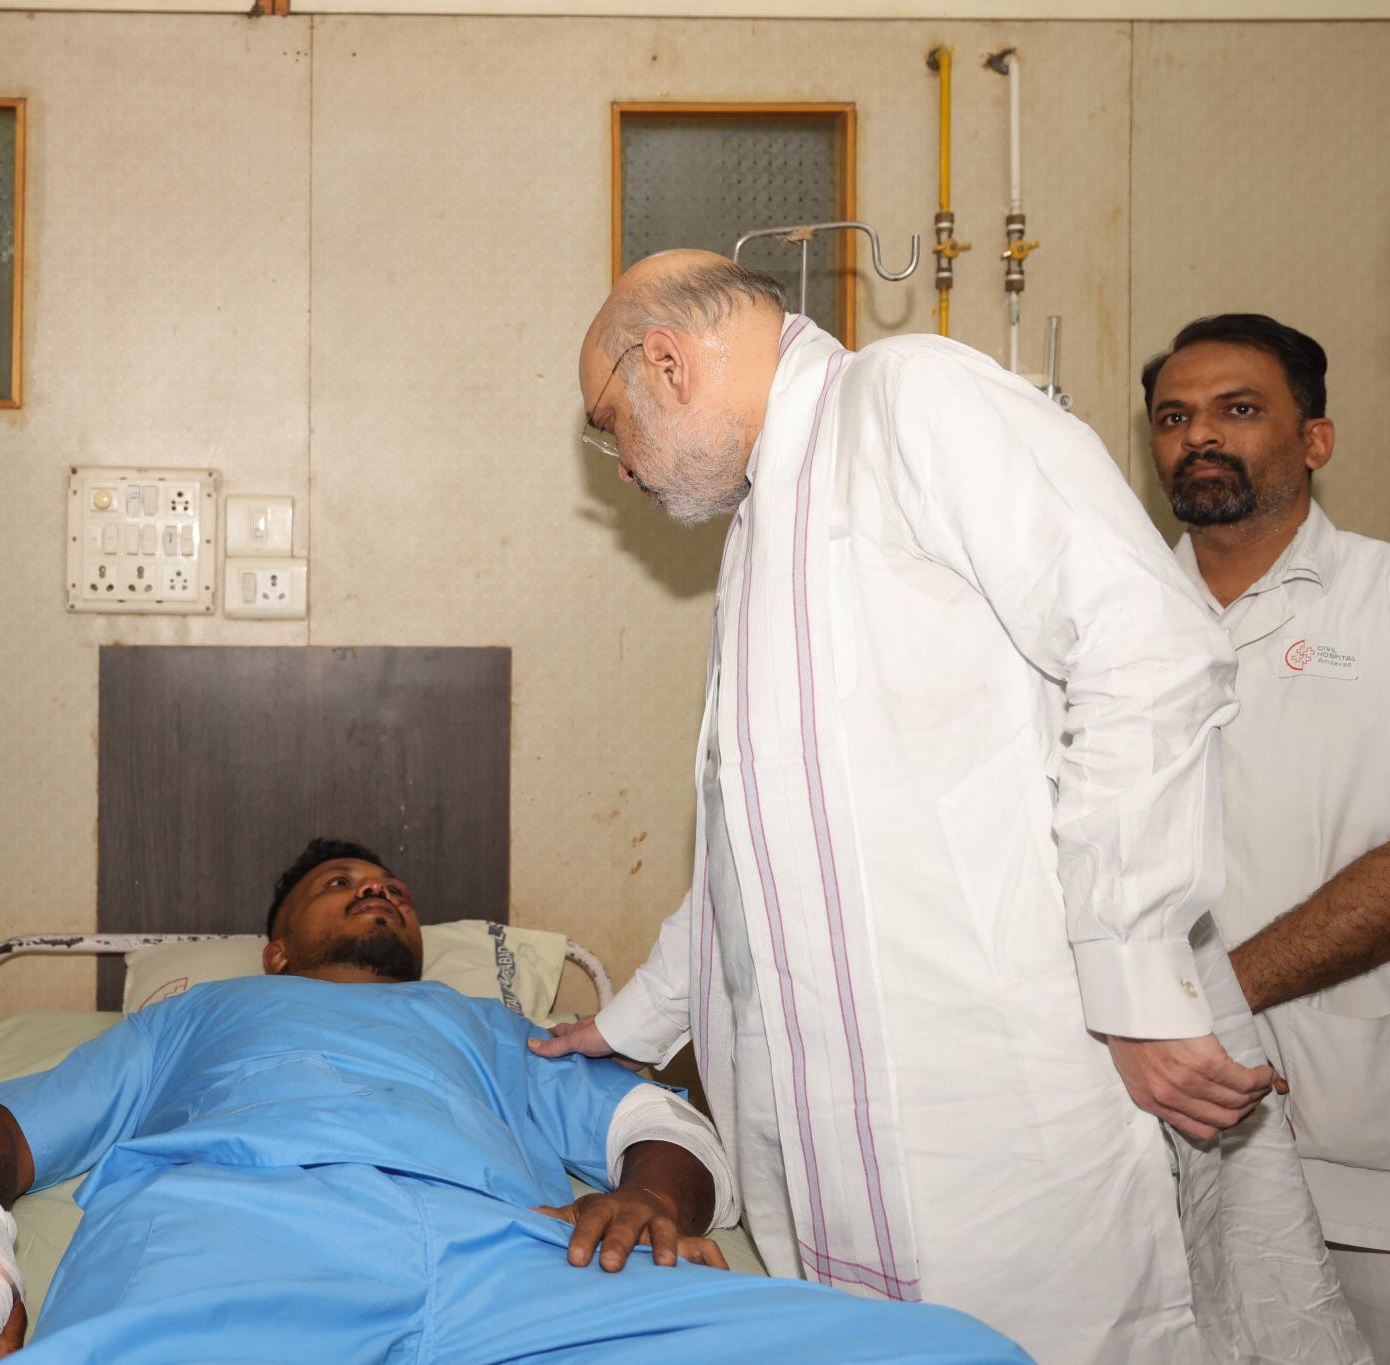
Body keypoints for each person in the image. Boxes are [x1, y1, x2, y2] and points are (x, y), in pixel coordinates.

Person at [536, 250, 1368, 1364]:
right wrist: (638, 1016)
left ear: (667, 364)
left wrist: (1132, 976)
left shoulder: (907, 398)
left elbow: (1147, 645)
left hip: (992, 1091)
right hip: (833, 1121)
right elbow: (755, 841)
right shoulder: (764, 522)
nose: (620, 465)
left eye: (609, 425)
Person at [0, 838, 1027, 1365]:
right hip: (236, 1236)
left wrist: (651, 1200)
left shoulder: (492, 1027)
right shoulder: (185, 1018)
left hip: (510, 1260)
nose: (378, 892)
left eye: (392, 887)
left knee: (957, 1353)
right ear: (273, 947)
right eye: (340, 884)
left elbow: (654, 1124)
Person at [1144, 313, 1390, 1359]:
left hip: (1351, 1152)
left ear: (1314, 440)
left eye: (1236, 410)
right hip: (1145, 1138)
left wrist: (1205, 999)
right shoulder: (1103, 623)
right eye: (1171, 417)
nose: (1198, 436)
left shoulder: (1379, 607)